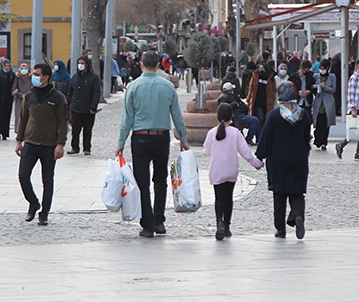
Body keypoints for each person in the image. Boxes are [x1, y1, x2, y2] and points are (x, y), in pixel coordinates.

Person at [115, 51, 189, 238]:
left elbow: (127, 119)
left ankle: (147, 225)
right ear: (158, 66)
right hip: (161, 137)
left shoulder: (133, 87)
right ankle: (159, 220)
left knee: (142, 182)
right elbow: (177, 116)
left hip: (140, 137)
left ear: (141, 65)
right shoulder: (167, 87)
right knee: (160, 180)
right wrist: (183, 139)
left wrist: (120, 142)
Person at [255, 81, 311, 240]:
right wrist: (306, 150)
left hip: (278, 160)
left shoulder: (273, 115)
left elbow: (266, 138)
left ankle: (280, 229)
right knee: (297, 192)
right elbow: (306, 137)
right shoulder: (303, 115)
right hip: (298, 159)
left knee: (279, 195)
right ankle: (297, 215)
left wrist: (260, 156)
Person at [15, 63, 68, 226]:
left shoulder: (58, 97)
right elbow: (23, 119)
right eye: (33, 74)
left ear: (45, 77)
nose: (34, 76)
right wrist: (19, 140)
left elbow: (63, 122)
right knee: (23, 176)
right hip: (30, 143)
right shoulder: (29, 96)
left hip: (49, 145)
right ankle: (33, 202)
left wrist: (60, 144)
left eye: (37, 74)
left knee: (47, 180)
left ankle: (44, 212)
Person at [203, 103, 263, 240]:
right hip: (231, 170)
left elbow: (206, 151)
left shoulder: (212, 133)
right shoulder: (235, 133)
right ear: (231, 116)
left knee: (219, 198)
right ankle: (227, 226)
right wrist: (257, 164)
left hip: (217, 170)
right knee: (228, 197)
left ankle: (219, 223)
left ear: (217, 116)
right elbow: (246, 153)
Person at [335, 58, 359, 161]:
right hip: (357, 108)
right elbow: (351, 94)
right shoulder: (354, 78)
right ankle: (341, 145)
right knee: (355, 131)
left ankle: (358, 152)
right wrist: (352, 108)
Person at [66, 55, 101, 155]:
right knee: (75, 129)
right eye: (79, 63)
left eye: (82, 63)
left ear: (87, 65)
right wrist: (68, 104)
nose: (80, 65)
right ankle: (75, 147)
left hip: (88, 108)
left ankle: (87, 148)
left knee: (87, 129)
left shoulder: (93, 77)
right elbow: (70, 91)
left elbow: (96, 92)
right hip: (75, 107)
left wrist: (93, 106)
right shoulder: (75, 77)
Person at [312, 59, 336, 150]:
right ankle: (317, 139)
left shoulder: (332, 77)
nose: (322, 70)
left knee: (326, 124)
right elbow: (312, 87)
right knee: (318, 123)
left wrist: (325, 87)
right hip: (319, 102)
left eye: (323, 68)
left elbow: (333, 89)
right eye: (320, 68)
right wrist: (314, 87)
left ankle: (324, 142)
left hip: (328, 103)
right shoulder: (316, 76)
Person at [289, 59, 316, 124]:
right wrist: (297, 92)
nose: (308, 71)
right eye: (306, 69)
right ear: (302, 68)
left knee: (307, 121)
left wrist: (309, 91)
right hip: (297, 103)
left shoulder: (310, 77)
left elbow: (314, 87)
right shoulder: (293, 77)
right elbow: (289, 89)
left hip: (307, 103)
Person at [11, 63, 32, 132]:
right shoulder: (17, 78)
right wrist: (20, 95)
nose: (24, 70)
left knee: (29, 115)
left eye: (25, 68)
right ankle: (18, 130)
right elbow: (14, 89)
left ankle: (28, 130)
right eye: (22, 69)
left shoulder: (31, 78)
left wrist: (28, 95)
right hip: (19, 99)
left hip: (30, 99)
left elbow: (33, 88)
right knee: (18, 115)